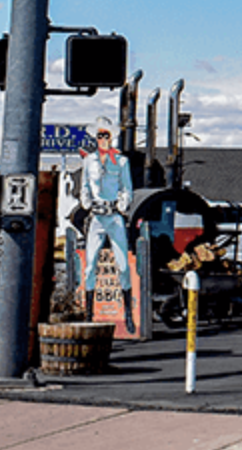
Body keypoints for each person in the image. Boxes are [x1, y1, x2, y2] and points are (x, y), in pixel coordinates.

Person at [79, 127, 135, 331]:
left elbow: (127, 187)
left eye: (106, 136)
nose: (103, 139)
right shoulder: (89, 161)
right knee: (89, 265)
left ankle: (128, 313)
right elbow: (84, 185)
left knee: (123, 265)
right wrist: (86, 202)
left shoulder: (120, 161)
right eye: (99, 136)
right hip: (97, 217)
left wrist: (122, 204)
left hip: (114, 216)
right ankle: (89, 314)